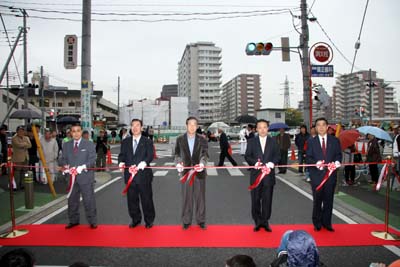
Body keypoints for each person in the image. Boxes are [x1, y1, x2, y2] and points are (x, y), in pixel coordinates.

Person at [59, 123, 97, 229]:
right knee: (72, 201)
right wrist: (64, 165)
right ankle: (73, 220)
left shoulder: (89, 144)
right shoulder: (66, 145)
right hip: (71, 178)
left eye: (78, 131)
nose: (76, 133)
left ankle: (92, 221)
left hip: (85, 177)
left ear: (81, 132)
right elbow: (62, 158)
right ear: (71, 133)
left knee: (88, 200)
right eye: (73, 131)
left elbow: (92, 160)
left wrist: (83, 166)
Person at [306, 117, 342, 232]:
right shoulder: (311, 141)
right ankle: (317, 223)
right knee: (317, 200)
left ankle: (327, 223)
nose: (321, 127)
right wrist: (316, 163)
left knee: (329, 200)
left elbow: (338, 155)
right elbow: (308, 158)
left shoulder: (334, 140)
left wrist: (337, 162)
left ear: (327, 127)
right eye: (318, 125)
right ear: (316, 128)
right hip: (316, 176)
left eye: (323, 125)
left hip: (330, 176)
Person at [118, 119, 155, 229]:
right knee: (132, 200)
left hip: (144, 176)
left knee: (146, 199)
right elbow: (122, 155)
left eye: (137, 125)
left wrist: (145, 162)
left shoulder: (147, 141)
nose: (135, 128)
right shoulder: (125, 142)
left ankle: (149, 220)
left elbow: (150, 155)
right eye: (133, 125)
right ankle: (135, 219)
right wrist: (121, 162)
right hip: (129, 176)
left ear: (142, 128)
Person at [245, 119, 280, 232]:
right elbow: (247, 156)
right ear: (256, 129)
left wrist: (272, 163)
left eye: (264, 127)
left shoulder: (273, 141)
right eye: (260, 127)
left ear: (268, 128)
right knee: (255, 200)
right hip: (256, 176)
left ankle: (265, 221)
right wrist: (254, 163)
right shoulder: (251, 142)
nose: (262, 129)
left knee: (267, 200)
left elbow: (277, 156)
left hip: (268, 177)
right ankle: (257, 221)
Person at [174, 116, 208, 230]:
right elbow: (177, 154)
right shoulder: (179, 139)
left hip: (199, 173)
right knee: (186, 198)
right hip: (186, 173)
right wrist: (178, 163)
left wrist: (202, 164)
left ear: (197, 126)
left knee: (200, 198)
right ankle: (186, 220)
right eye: (190, 124)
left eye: (195, 124)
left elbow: (205, 154)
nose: (192, 126)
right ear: (186, 125)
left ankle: (201, 220)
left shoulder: (202, 139)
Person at [12, 126, 32, 190]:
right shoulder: (14, 138)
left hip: (26, 158)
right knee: (17, 172)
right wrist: (25, 144)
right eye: (20, 131)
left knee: (25, 172)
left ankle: (23, 185)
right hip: (18, 158)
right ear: (17, 131)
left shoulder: (26, 137)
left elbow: (30, 145)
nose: (21, 132)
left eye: (22, 131)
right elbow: (18, 145)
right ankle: (16, 185)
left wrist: (23, 144)